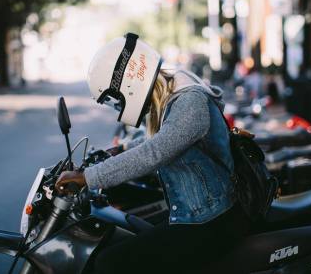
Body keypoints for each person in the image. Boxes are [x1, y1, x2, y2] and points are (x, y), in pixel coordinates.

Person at [56, 33, 250, 274]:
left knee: (110, 263)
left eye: (115, 99)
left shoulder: (190, 101)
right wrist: (120, 148)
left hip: (213, 221)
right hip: (195, 212)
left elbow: (155, 152)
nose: (118, 107)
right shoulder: (174, 91)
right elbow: (159, 138)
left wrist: (88, 177)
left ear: (128, 83)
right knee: (124, 233)